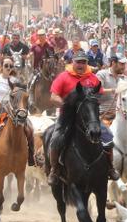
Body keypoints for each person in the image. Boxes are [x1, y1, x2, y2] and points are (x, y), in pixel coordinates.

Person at [47, 50, 119, 183]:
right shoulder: (63, 77)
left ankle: (110, 168)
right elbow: (53, 96)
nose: (81, 65)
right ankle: (54, 170)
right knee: (55, 139)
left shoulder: (92, 78)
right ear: (72, 62)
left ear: (87, 63)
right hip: (68, 118)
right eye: (78, 62)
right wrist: (66, 105)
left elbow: (100, 94)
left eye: (84, 62)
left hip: (89, 119)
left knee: (108, 137)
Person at [0, 58, 34, 169]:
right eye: (6, 65)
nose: (8, 68)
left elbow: (20, 95)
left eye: (10, 66)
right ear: (1, 66)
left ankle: (31, 155)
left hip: (13, 111)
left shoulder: (15, 80)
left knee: (30, 128)